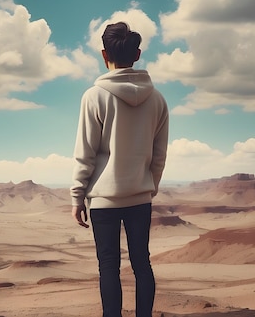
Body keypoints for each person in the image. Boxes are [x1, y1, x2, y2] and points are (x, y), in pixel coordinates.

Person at [70, 21, 169, 317]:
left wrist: (77, 196)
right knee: (142, 263)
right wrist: (147, 185)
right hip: (140, 198)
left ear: (104, 54)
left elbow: (85, 153)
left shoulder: (94, 96)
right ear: (137, 54)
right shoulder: (158, 99)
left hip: (104, 201)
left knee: (108, 267)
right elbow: (159, 156)